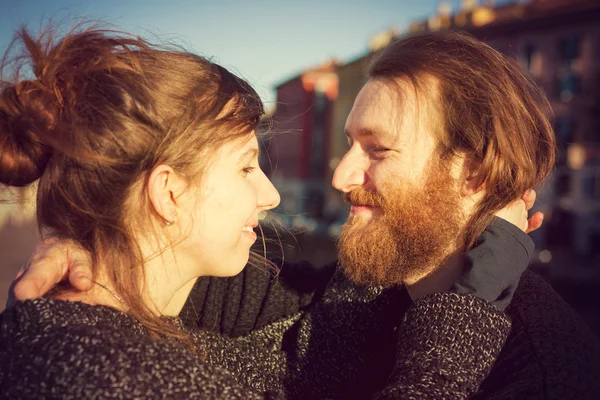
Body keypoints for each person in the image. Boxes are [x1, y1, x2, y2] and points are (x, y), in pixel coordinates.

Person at [0, 25, 537, 399]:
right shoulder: (113, 374)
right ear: (168, 193)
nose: (273, 196)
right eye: (244, 167)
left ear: (473, 173)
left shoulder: (111, 324)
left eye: (379, 148)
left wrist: (93, 236)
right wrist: (472, 310)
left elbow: (296, 349)